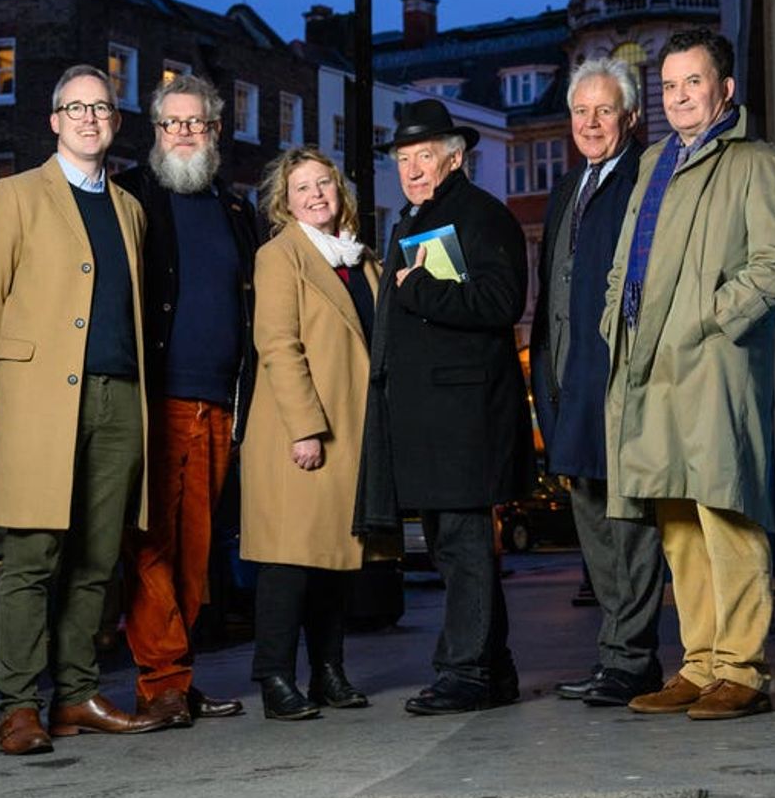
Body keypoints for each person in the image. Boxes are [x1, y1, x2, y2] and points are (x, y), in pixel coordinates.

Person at [0, 65, 167, 754]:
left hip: (119, 400)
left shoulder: (129, 208)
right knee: (33, 556)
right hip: (39, 400)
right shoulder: (15, 195)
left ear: (115, 123)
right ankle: (19, 707)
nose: (88, 118)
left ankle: (76, 695)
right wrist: (13, 383)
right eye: (74, 108)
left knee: (97, 558)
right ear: (54, 121)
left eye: (101, 108)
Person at [603, 29, 775, 720]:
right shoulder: (655, 161)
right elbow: (626, 261)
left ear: (725, 89)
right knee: (676, 517)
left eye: (693, 82)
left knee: (726, 508)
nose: (679, 96)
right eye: (668, 86)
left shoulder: (758, 163)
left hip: (712, 360)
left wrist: (710, 319)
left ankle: (742, 671)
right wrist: (614, 322)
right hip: (647, 359)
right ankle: (699, 664)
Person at [356, 98, 532, 716]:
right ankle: (495, 670)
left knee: (461, 549)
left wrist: (420, 289)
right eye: (404, 159)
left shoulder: (482, 215)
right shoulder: (413, 219)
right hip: (436, 421)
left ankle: (466, 674)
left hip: (466, 419)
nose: (411, 169)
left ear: (455, 158)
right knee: (455, 547)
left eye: (423, 156)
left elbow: (502, 300)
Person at [116, 74, 256, 729]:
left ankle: (172, 681)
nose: (184, 133)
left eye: (195, 122)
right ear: (156, 131)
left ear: (215, 130)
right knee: (150, 545)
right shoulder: (133, 198)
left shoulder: (236, 211)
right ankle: (164, 678)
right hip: (157, 400)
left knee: (197, 552)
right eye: (172, 123)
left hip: (219, 406)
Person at [531, 58, 664, 707]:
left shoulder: (647, 181)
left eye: (603, 111)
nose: (589, 123)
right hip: (568, 380)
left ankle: (633, 660)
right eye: (580, 111)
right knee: (592, 521)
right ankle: (616, 656)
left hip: (619, 381)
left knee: (630, 525)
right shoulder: (566, 188)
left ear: (631, 117)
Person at [240, 147, 379, 721]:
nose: (317, 194)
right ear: (285, 201)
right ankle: (275, 677)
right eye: (302, 188)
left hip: (349, 428)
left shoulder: (360, 258)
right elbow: (277, 344)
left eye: (324, 183)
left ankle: (327, 671)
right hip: (297, 432)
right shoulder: (280, 256)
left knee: (333, 560)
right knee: (287, 563)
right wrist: (305, 429)